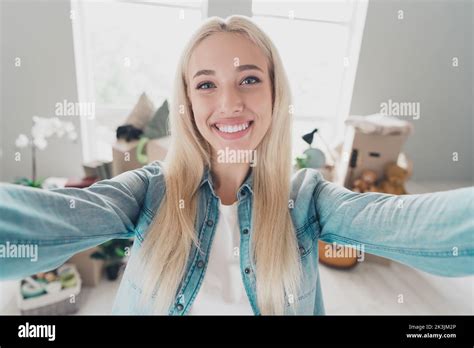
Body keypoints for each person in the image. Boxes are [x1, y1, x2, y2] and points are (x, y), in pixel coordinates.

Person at [0, 15, 472, 316]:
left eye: (248, 79)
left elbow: (414, 226)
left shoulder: (307, 199)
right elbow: (47, 221)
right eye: (206, 85)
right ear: (186, 101)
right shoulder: (148, 191)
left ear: (273, 94)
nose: (229, 103)